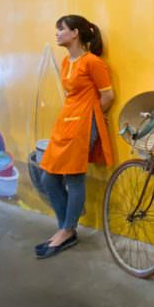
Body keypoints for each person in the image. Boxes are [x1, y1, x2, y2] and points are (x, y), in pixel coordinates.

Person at [36, 15, 114, 259]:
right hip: (64, 122)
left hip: (83, 124)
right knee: (48, 178)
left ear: (75, 33)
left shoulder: (93, 62)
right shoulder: (66, 61)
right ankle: (66, 228)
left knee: (74, 177)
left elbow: (108, 96)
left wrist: (90, 118)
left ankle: (67, 230)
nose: (57, 33)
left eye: (61, 29)